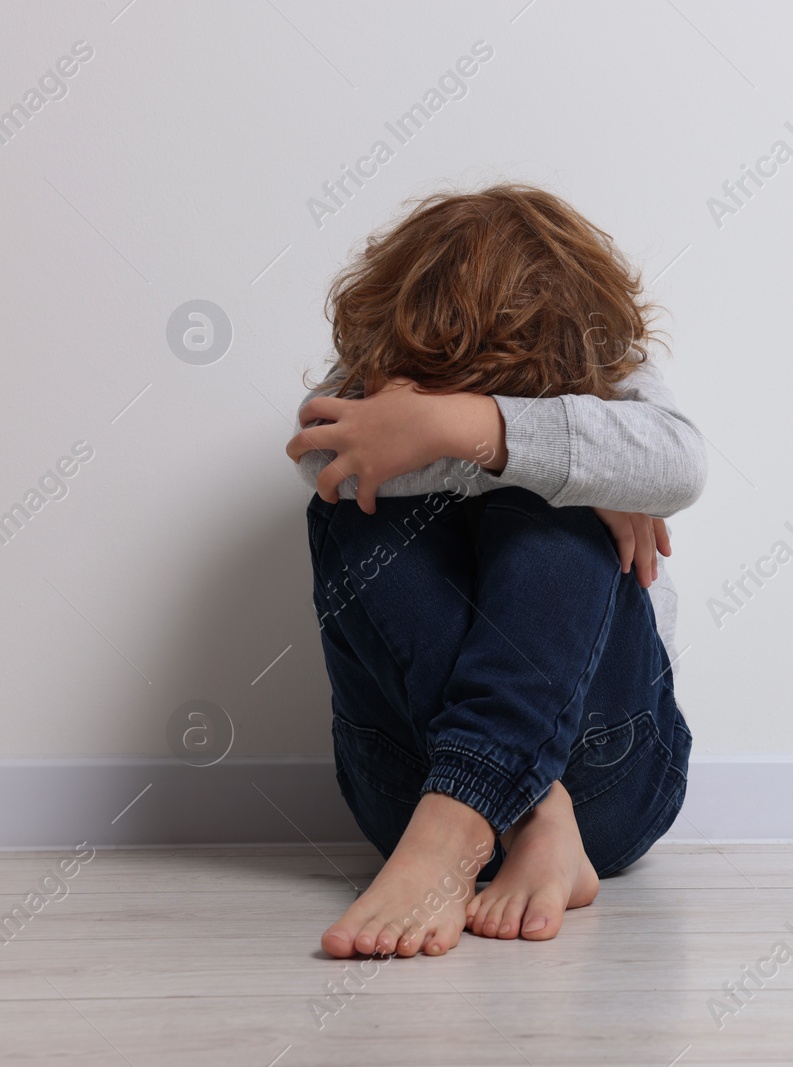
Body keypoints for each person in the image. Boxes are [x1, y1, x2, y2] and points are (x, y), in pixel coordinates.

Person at [285, 184, 704, 958]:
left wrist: (465, 428)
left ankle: (467, 818)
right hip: (409, 782)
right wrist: (544, 458)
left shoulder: (618, 375)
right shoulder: (366, 384)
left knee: (559, 507)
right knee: (351, 501)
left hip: (612, 777)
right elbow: (321, 456)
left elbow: (681, 466)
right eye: (448, 390)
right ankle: (528, 810)